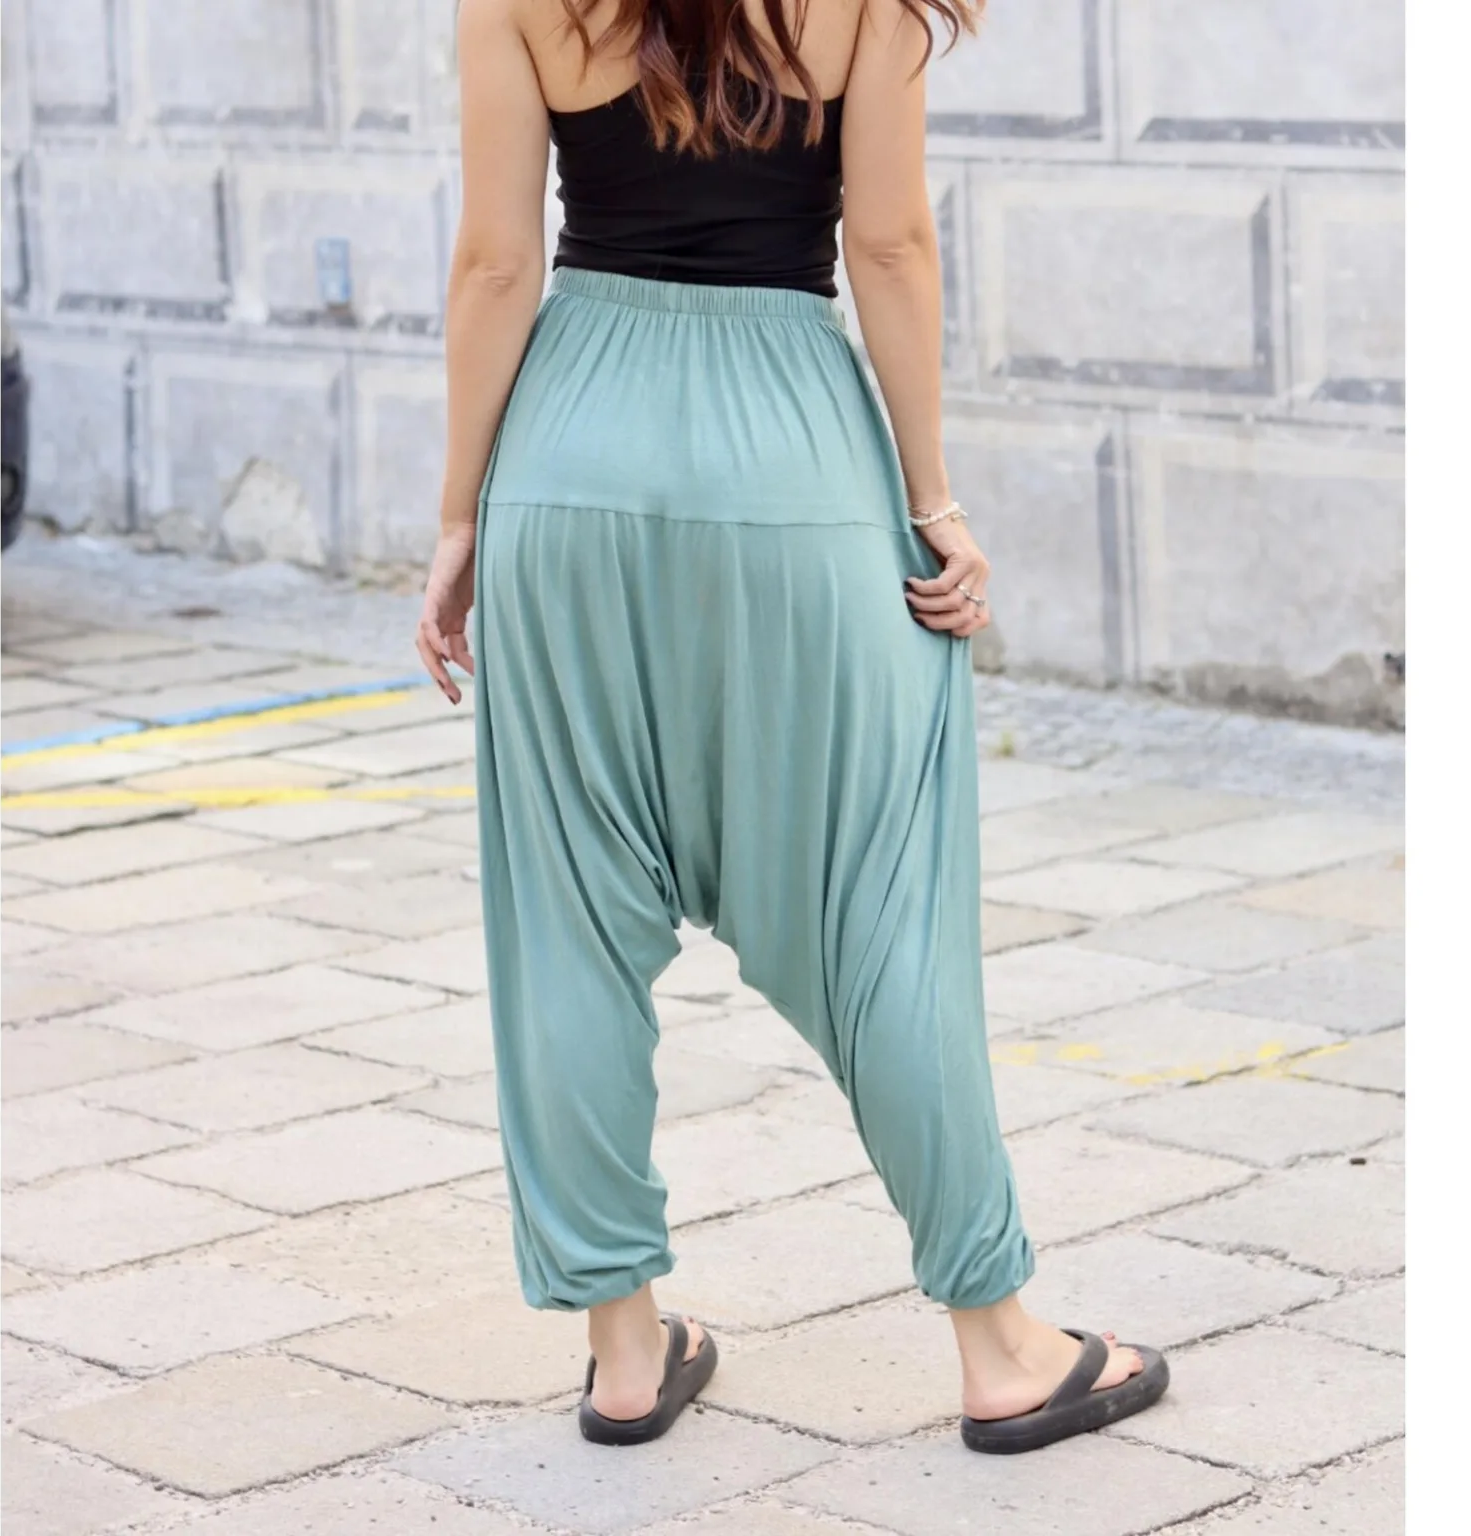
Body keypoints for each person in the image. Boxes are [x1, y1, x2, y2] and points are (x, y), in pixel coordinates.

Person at [415, 0, 1169, 1454]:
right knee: (881, 911)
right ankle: (1001, 1345)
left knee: (564, 914)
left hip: (570, 455)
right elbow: (888, 247)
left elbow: (496, 261)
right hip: (793, 461)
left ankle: (623, 1351)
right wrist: (934, 502)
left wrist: (460, 518)